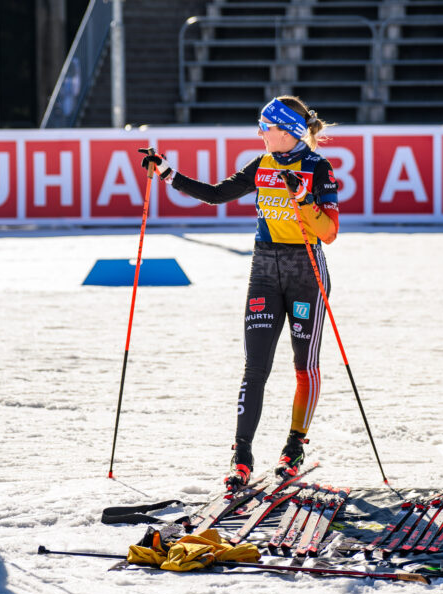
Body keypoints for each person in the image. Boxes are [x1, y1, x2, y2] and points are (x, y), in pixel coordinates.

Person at [139, 95, 339, 492]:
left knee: (304, 366)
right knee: (255, 367)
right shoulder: (262, 164)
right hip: (264, 269)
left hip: (305, 272)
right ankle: (242, 455)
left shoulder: (318, 168)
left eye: (265, 126)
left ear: (285, 131)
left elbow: (329, 233)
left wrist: (302, 201)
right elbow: (216, 194)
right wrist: (166, 173)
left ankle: (293, 446)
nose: (260, 133)